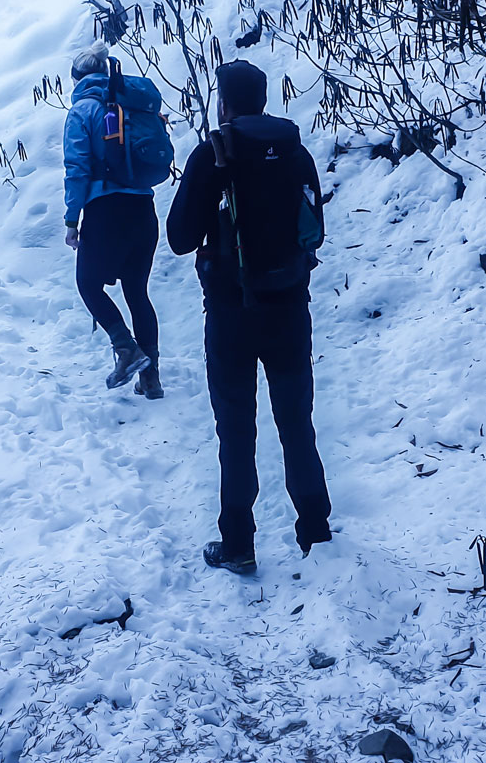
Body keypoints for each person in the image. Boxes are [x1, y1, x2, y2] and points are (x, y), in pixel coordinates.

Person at [167, 60, 332, 574]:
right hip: (289, 306)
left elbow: (177, 238)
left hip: (229, 311)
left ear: (225, 103)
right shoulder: (295, 153)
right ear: (262, 100)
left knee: (236, 428)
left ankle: (238, 543)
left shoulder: (213, 155)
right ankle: (317, 536)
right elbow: (315, 231)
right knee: (296, 423)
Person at [63, 39, 163, 398]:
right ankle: (150, 379)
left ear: (76, 80)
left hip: (106, 212)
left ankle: (126, 349)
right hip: (143, 210)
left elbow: (77, 169)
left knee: (89, 284)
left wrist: (72, 220)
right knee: (137, 291)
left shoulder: (82, 111)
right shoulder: (130, 105)